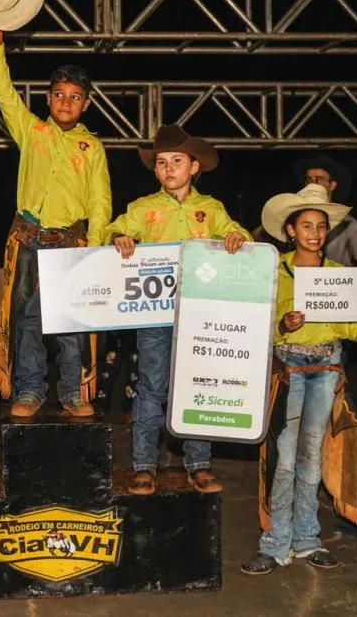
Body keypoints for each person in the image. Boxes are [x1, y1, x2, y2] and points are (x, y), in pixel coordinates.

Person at [243, 184, 357, 576]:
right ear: (290, 230)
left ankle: (306, 539)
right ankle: (274, 543)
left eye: (321, 226)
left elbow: (350, 329)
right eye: (306, 225)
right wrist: (283, 326)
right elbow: (258, 324)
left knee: (312, 457)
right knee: (284, 458)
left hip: (327, 369)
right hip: (289, 371)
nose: (315, 233)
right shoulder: (274, 271)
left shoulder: (340, 275)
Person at [106, 125, 251, 495]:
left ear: (194, 167)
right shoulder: (143, 208)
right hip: (156, 314)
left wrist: (236, 238)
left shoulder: (211, 209)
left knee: (197, 385)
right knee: (151, 387)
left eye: (176, 161)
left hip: (201, 316)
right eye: (161, 162)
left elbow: (239, 235)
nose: (168, 168)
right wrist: (119, 237)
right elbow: (117, 228)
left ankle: (199, 463)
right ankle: (143, 465)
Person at [0, 27, 112, 418]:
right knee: (26, 317)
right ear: (48, 98)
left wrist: (96, 248)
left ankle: (74, 393)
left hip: (71, 243)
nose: (65, 101)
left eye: (75, 97)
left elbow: (100, 200)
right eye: (59, 94)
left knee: (71, 320)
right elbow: (3, 93)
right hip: (27, 238)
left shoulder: (92, 147)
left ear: (86, 104)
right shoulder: (32, 131)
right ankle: (29, 391)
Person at [294, 156, 357, 268]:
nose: (312, 185)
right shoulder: (294, 220)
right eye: (308, 180)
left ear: (332, 185)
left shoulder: (350, 225)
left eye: (319, 180)